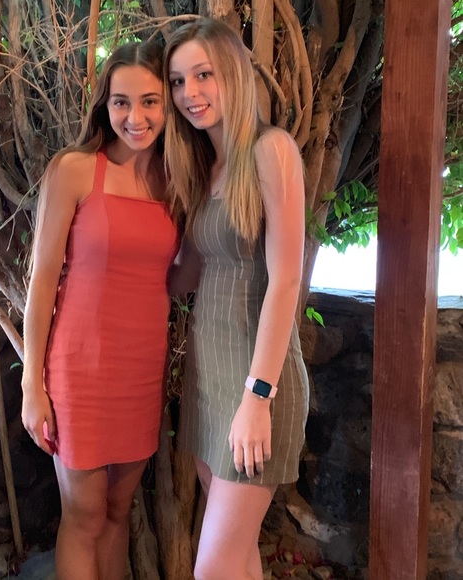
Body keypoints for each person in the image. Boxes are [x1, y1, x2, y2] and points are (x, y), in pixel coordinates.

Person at [21, 41, 178, 580]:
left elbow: (175, 275)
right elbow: (42, 280)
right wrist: (32, 384)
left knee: (117, 511)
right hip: (80, 370)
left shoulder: (177, 181)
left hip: (141, 370)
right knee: (84, 515)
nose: (136, 117)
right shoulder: (74, 169)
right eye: (121, 102)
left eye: (150, 101)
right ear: (104, 105)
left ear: (168, 105)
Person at [164, 18, 310, 580]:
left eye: (203, 75)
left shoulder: (271, 150)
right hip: (209, 376)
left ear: (234, 73)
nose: (190, 92)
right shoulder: (206, 168)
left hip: (257, 381)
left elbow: (286, 280)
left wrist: (258, 397)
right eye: (178, 81)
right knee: (238, 558)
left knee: (214, 569)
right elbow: (185, 277)